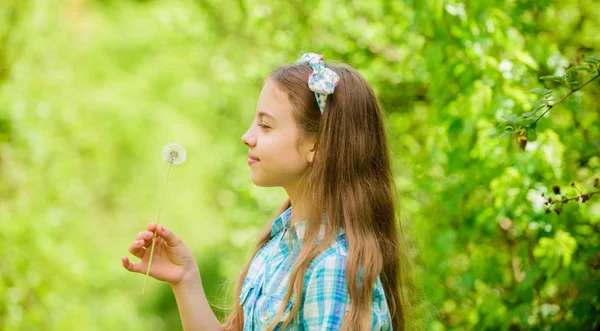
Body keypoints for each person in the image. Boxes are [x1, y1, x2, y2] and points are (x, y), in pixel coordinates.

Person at [121, 53, 412, 330]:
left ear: (317, 145)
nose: (247, 137)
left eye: (265, 125)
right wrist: (185, 280)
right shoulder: (281, 243)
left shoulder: (332, 269)